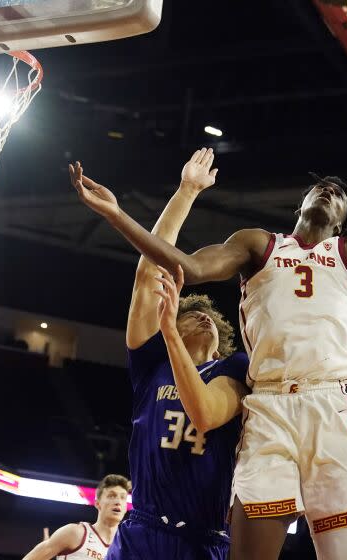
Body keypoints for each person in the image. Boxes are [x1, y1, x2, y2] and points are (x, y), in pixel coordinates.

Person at [68, 88, 347, 559]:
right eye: (320, 186)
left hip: (328, 406)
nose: (329, 190)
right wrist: (117, 215)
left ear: (343, 221)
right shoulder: (258, 245)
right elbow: (186, 264)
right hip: (267, 406)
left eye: (340, 195)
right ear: (302, 203)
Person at [76, 149, 250, 560]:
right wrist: (187, 190)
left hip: (204, 538)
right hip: (144, 530)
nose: (206, 318)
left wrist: (173, 331)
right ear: (169, 313)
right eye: (196, 313)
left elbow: (207, 413)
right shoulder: (151, 365)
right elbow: (148, 273)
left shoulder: (235, 367)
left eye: (212, 317)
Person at [22, 474, 130, 560]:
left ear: (126, 507)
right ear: (97, 504)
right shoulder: (75, 533)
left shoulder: (126, 550)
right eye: (112, 496)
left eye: (122, 497)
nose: (118, 501)